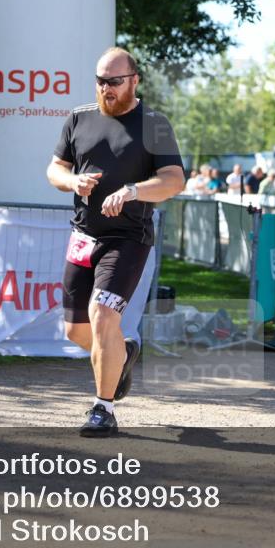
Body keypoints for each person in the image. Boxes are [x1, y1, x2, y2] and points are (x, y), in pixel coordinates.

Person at [47, 47, 185, 437]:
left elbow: (174, 180)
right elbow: (55, 168)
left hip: (128, 237)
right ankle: (120, 353)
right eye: (100, 81)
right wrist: (72, 181)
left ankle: (102, 408)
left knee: (103, 315)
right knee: (76, 331)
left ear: (134, 80)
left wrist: (132, 190)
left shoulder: (154, 124)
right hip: (83, 235)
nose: (105, 89)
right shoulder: (79, 117)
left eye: (113, 82)